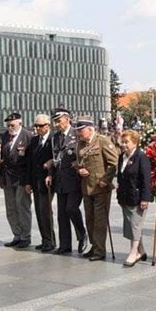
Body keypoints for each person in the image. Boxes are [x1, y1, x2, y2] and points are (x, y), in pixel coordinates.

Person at [76, 116, 119, 261]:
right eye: (78, 131)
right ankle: (95, 246)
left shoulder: (102, 141)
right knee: (89, 219)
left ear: (90, 129)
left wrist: (105, 180)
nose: (79, 134)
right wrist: (79, 169)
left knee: (100, 221)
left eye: (81, 131)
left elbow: (114, 163)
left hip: (100, 187)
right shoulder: (80, 144)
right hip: (86, 187)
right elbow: (79, 161)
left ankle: (100, 251)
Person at [46, 108, 87, 255]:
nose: (57, 124)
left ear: (67, 119)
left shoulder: (77, 135)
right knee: (62, 214)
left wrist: (80, 165)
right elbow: (54, 158)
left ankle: (82, 234)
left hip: (74, 180)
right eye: (55, 121)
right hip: (60, 180)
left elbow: (85, 155)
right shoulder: (54, 138)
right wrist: (50, 174)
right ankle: (65, 245)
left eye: (59, 121)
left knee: (71, 209)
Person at [117, 130, 151, 267]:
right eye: (122, 142)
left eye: (127, 142)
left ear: (135, 142)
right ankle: (141, 250)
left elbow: (146, 180)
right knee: (131, 225)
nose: (124, 145)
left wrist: (145, 198)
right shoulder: (122, 157)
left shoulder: (141, 157)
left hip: (137, 197)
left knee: (135, 225)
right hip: (125, 196)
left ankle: (133, 252)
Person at [0, 113, 33, 248]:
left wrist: (29, 181)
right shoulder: (5, 136)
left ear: (20, 123)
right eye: (8, 125)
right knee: (11, 208)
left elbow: (30, 160)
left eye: (12, 124)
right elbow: (3, 158)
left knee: (22, 207)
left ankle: (25, 236)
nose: (10, 127)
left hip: (21, 178)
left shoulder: (28, 136)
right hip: (8, 178)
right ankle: (17, 234)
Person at [26, 114, 56, 252]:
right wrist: (28, 182)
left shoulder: (54, 139)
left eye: (41, 126)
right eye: (36, 126)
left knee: (45, 211)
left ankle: (50, 240)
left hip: (48, 182)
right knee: (39, 211)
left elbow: (55, 161)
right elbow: (30, 163)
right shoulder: (34, 141)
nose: (38, 128)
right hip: (36, 181)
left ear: (48, 126)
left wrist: (50, 174)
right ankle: (45, 239)